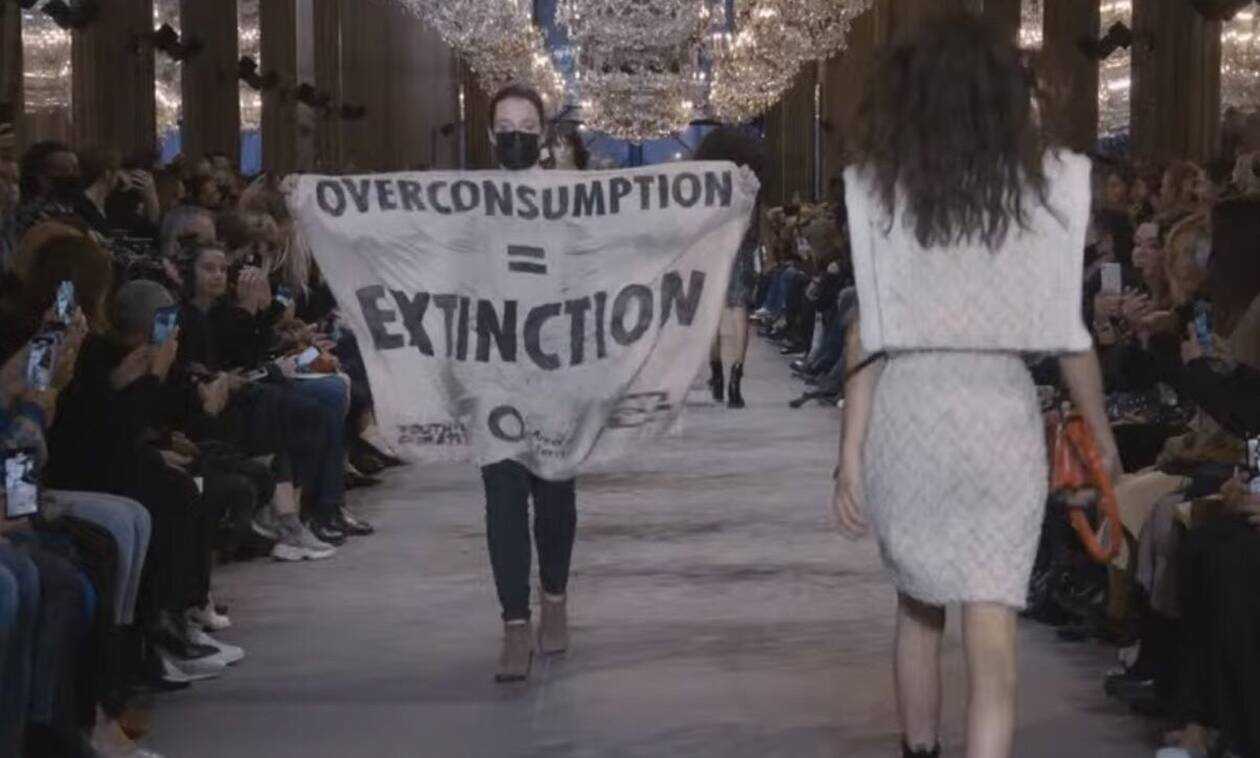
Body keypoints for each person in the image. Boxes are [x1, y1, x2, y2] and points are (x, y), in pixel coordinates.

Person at [830, 16, 1120, 758]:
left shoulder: (880, 191)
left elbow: (865, 336)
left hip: (910, 409)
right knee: (993, 631)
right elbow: (1069, 335)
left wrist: (850, 455)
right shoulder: (1047, 189)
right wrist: (1102, 437)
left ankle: (919, 751)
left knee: (917, 610)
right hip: (998, 414)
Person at [480, 83, 578, 684]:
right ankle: (514, 623)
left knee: (555, 496)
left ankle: (556, 598)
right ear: (491, 136)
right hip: (492, 366)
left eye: (525, 127)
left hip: (559, 366)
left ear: (542, 134)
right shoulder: (468, 202)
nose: (515, 136)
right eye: (505, 128)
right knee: (502, 496)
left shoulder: (570, 200)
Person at [697, 128, 766, 409]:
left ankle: (716, 373)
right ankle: (735, 382)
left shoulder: (706, 180)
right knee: (739, 312)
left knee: (712, 312)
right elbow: (756, 218)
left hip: (714, 246)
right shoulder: (749, 180)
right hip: (741, 245)